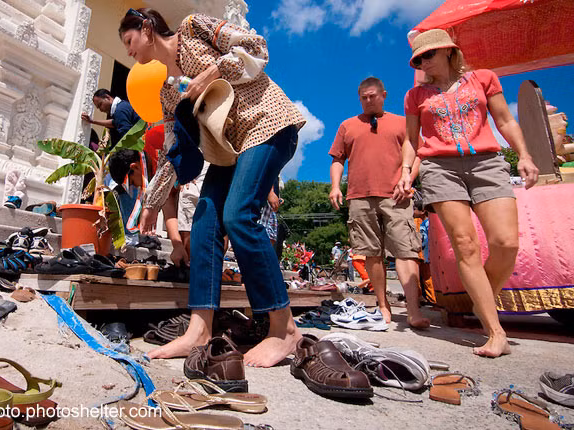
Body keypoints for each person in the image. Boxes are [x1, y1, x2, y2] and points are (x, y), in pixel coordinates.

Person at [119, 8, 305, 367]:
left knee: (237, 215)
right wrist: (152, 202)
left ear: (146, 28)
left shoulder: (192, 28)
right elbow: (174, 151)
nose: (129, 51)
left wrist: (211, 72)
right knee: (204, 223)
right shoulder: (167, 92)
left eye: (129, 40)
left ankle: (285, 330)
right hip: (230, 151)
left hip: (268, 124)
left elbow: (256, 45)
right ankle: (199, 330)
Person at [394, 29, 539, 357]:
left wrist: (524, 155)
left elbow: (505, 121)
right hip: (439, 168)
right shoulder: (415, 96)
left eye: (428, 55)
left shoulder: (484, 79)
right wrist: (405, 173)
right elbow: (412, 141)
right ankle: (495, 331)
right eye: (418, 59)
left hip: (487, 162)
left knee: (506, 242)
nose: (423, 63)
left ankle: (480, 296)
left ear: (448, 51)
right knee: (465, 245)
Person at [328, 76, 430, 329]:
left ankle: (413, 310)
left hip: (397, 195)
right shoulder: (347, 126)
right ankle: (383, 306)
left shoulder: (402, 122)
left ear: (383, 95)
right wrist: (335, 187)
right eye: (363, 97)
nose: (368, 101)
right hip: (359, 197)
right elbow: (338, 159)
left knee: (406, 251)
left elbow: (419, 153)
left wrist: (408, 179)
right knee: (371, 253)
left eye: (372, 96)